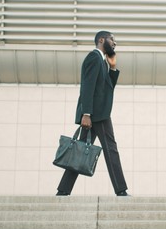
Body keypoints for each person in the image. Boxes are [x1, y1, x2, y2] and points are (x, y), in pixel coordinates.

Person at [56, 31, 130, 196]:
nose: (115, 43)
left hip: (97, 113)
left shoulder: (102, 61)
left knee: (80, 150)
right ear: (102, 40)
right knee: (111, 149)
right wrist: (87, 113)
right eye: (112, 40)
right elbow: (87, 86)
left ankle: (63, 190)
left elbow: (107, 88)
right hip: (96, 114)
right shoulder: (93, 57)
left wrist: (112, 68)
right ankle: (121, 190)